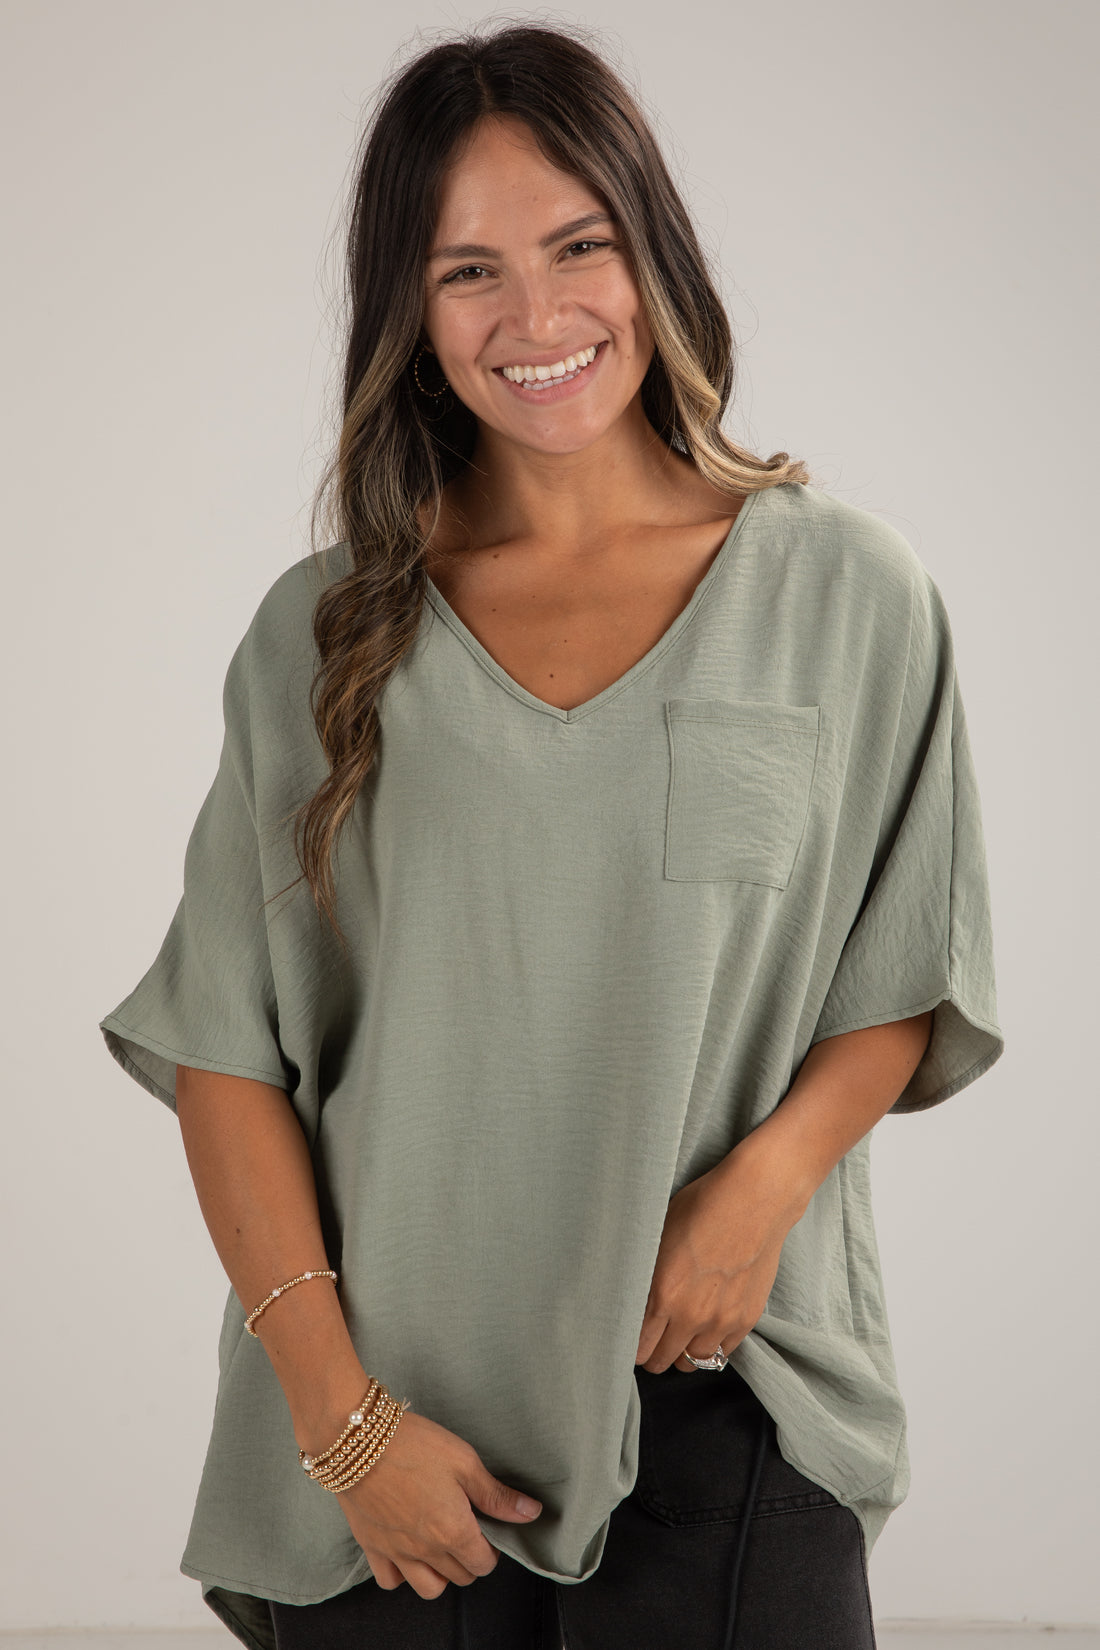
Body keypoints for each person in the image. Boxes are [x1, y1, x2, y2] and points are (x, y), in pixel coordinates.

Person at [99, 20, 1005, 1650]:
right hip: (397, 1440)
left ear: (652, 250)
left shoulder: (849, 594)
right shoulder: (325, 634)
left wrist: (764, 1186)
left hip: (730, 1390)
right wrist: (344, 1421)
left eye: (579, 245)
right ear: (409, 307)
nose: (537, 316)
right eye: (470, 271)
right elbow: (225, 1050)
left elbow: (904, 962)